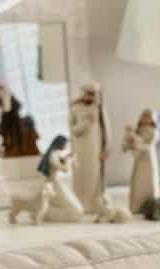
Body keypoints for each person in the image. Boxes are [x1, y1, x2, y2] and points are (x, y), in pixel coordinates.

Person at [70, 82, 111, 213]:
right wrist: (87, 122)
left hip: (95, 149)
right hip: (80, 149)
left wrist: (107, 148)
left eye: (92, 94)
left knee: (95, 177)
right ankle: (80, 205)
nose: (90, 96)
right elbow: (73, 130)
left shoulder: (99, 108)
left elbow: (106, 131)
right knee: (81, 177)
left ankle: (95, 205)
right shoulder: (74, 108)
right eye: (87, 93)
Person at [37, 135, 84, 222]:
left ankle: (43, 211)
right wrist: (69, 160)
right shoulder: (53, 154)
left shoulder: (56, 153)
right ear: (61, 144)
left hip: (54, 183)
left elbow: (67, 167)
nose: (67, 147)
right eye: (66, 145)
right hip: (52, 185)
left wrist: (71, 161)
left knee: (76, 208)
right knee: (75, 213)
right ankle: (44, 213)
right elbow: (64, 169)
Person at [123, 109, 160, 213]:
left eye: (148, 117)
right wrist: (129, 141)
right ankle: (136, 207)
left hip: (148, 161)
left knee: (148, 183)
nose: (145, 119)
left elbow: (147, 146)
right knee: (137, 182)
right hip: (139, 161)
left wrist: (135, 140)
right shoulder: (138, 130)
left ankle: (151, 207)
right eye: (144, 116)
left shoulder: (154, 132)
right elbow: (129, 144)